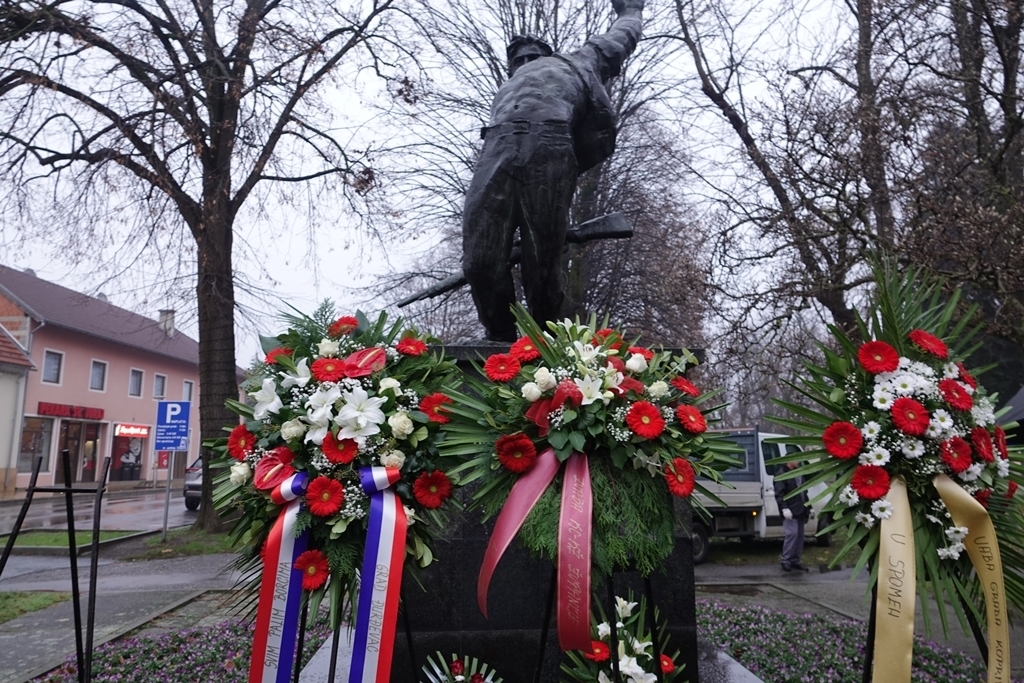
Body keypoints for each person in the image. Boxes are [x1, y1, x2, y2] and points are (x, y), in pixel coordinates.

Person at [461, 0, 644, 341]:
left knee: (542, 261)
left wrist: (631, 11)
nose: (527, 64)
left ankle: (546, 343)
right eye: (519, 60)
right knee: (478, 260)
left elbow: (620, 39)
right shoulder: (506, 92)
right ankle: (499, 338)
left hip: (551, 142)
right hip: (496, 147)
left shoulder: (579, 60)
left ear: (551, 55)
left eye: (535, 57)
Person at [775, 460, 810, 572]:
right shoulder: (782, 475)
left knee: (799, 536)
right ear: (789, 461)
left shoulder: (797, 473)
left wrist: (809, 506)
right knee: (792, 534)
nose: (798, 461)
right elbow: (779, 494)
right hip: (790, 509)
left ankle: (795, 560)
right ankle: (786, 560)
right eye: (796, 459)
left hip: (800, 508)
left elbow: (804, 492)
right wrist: (784, 508)